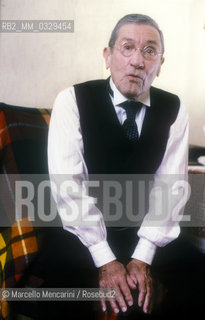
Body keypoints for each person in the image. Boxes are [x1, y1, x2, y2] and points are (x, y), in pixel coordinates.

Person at [48, 14, 189, 318]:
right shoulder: (71, 100)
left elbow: (171, 190)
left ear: (160, 64)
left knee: (191, 279)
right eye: (127, 48)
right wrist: (105, 259)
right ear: (108, 56)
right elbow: (68, 187)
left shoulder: (174, 109)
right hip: (82, 234)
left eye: (150, 51)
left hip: (145, 232)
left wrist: (142, 257)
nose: (138, 61)